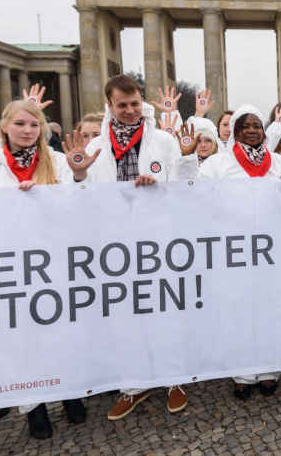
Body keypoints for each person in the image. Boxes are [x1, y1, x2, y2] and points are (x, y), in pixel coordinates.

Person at [0, 100, 89, 439]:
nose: (28, 131)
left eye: (33, 125)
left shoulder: (56, 160)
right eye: (21, 125)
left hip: (52, 259)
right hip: (6, 264)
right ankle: (33, 406)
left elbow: (80, 207)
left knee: (60, 331)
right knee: (20, 339)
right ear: (5, 127)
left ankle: (69, 389)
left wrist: (76, 178)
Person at [76, 75, 190, 420]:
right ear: (109, 106)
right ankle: (133, 385)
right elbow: (81, 202)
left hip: (158, 242)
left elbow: (189, 191)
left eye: (134, 104)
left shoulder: (165, 142)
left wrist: (160, 187)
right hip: (114, 245)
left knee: (165, 313)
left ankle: (175, 379)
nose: (129, 111)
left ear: (143, 103)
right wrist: (79, 176)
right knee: (125, 317)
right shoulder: (95, 146)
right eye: (122, 105)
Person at [197, 105, 281, 398]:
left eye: (257, 125)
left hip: (272, 250)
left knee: (273, 307)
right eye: (245, 125)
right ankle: (243, 373)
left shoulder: (280, 162)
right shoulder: (217, 165)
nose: (252, 130)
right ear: (235, 131)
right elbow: (200, 198)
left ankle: (270, 370)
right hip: (235, 251)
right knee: (238, 310)